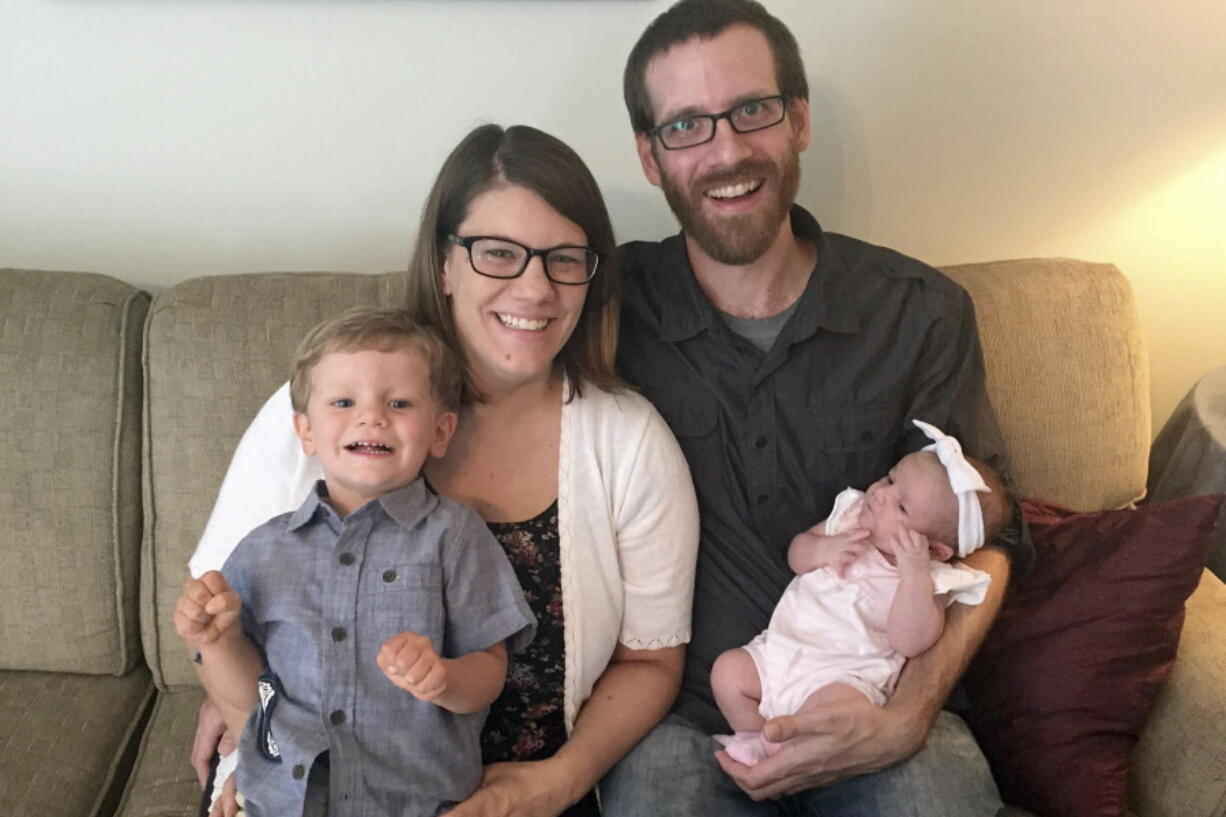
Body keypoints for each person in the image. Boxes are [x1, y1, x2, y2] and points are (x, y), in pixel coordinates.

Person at [188, 124, 700, 817]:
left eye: (565, 258)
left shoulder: (629, 441)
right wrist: (237, 707)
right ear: (444, 264)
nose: (536, 287)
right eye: (497, 253)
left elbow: (651, 661)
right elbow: (223, 613)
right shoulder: (323, 408)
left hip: (533, 788)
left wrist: (553, 784)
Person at [601, 0, 1033, 814]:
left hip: (881, 704)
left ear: (798, 120)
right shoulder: (607, 311)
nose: (726, 151)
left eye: (752, 111)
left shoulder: (921, 313)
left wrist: (906, 713)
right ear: (651, 157)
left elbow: (994, 543)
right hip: (687, 715)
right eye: (687, 125)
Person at [176, 307, 537, 817]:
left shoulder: (453, 536)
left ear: (440, 431)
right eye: (343, 402)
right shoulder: (263, 548)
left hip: (414, 798)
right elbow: (254, 694)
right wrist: (217, 642)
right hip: (286, 798)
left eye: (399, 402)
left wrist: (444, 679)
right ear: (305, 431)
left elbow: (489, 671)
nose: (371, 417)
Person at [710, 421, 1010, 767]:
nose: (880, 494)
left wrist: (913, 575)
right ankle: (755, 739)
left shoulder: (932, 580)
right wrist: (823, 550)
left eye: (902, 507)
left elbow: (910, 641)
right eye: (890, 479)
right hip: (781, 653)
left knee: (835, 712)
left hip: (843, 677)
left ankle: (785, 752)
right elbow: (797, 552)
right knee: (727, 673)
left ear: (936, 550)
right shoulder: (849, 518)